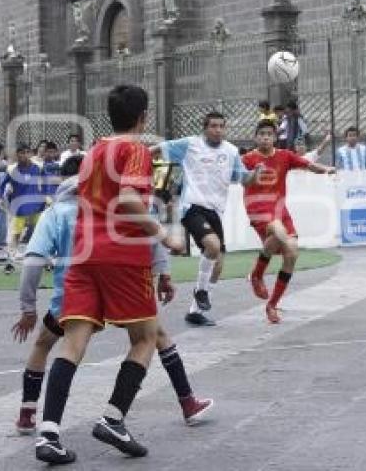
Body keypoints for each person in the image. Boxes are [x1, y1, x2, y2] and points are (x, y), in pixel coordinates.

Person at [33, 84, 184, 464]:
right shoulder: (133, 149)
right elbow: (131, 200)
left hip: (83, 255)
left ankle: (48, 433)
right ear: (143, 117)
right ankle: (114, 417)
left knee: (73, 342)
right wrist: (163, 234)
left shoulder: (94, 151)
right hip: (122, 255)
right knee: (146, 338)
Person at [12, 156, 211, 435]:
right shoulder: (115, 201)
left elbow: (33, 261)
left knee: (47, 344)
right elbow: (149, 232)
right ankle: (185, 402)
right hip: (119, 287)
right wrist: (164, 274)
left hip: (74, 294)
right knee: (155, 335)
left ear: (62, 180)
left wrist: (28, 308)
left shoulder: (56, 212)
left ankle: (30, 415)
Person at [153, 111, 259, 327]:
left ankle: (195, 311)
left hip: (215, 211)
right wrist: (131, 156)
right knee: (212, 245)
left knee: (218, 263)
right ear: (205, 128)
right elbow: (157, 150)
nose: (218, 130)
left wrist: (255, 173)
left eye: (221, 126)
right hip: (192, 206)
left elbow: (244, 180)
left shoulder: (230, 151)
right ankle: (201, 291)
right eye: (213, 126)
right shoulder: (190, 144)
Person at [243, 120, 335, 324]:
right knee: (277, 231)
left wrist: (326, 169)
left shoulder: (284, 156)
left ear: (275, 137)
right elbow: (238, 177)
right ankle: (257, 276)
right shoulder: (248, 159)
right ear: (255, 137)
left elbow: (309, 164)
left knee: (292, 252)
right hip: (258, 209)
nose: (266, 137)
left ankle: (272, 304)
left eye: (269, 134)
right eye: (262, 134)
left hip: (280, 210)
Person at [0, 145, 45, 273]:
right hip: (20, 208)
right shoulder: (12, 170)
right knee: (16, 235)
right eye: (20, 153)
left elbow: (46, 181)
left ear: (29, 153)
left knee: (41, 233)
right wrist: (0, 198)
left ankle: (45, 260)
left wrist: (46, 197)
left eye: (26, 153)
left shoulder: (38, 167)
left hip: (36, 206)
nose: (23, 155)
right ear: (16, 155)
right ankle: (9, 262)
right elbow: (1, 185)